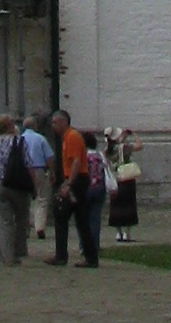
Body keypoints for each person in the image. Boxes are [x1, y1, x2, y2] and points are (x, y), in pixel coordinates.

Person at [0, 114, 33, 265]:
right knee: (21, 217)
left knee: (4, 221)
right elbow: (28, 163)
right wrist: (34, 184)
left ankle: (6, 255)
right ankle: (19, 250)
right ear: (10, 126)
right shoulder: (19, 141)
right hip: (17, 182)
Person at [51, 111, 83, 267]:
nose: (53, 126)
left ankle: (63, 256)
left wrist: (69, 184)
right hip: (71, 178)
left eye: (55, 122)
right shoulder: (66, 137)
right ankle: (61, 254)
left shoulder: (72, 136)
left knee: (65, 215)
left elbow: (76, 161)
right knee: (62, 215)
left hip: (75, 180)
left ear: (64, 122)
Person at [75, 130, 109, 268]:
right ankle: (95, 246)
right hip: (99, 188)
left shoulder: (84, 156)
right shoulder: (99, 155)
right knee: (95, 219)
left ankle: (85, 247)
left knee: (82, 220)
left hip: (86, 188)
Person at [21, 114, 55, 244]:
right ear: (35, 126)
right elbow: (49, 157)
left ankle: (27, 226)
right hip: (39, 169)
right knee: (42, 198)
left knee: (26, 198)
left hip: (24, 171)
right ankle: (39, 226)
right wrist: (52, 171)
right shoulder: (40, 139)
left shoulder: (19, 139)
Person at [110, 131, 141, 247]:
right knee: (129, 204)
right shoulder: (125, 147)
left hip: (116, 178)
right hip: (127, 178)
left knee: (116, 205)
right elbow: (139, 146)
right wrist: (134, 134)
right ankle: (127, 232)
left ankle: (118, 232)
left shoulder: (110, 149)